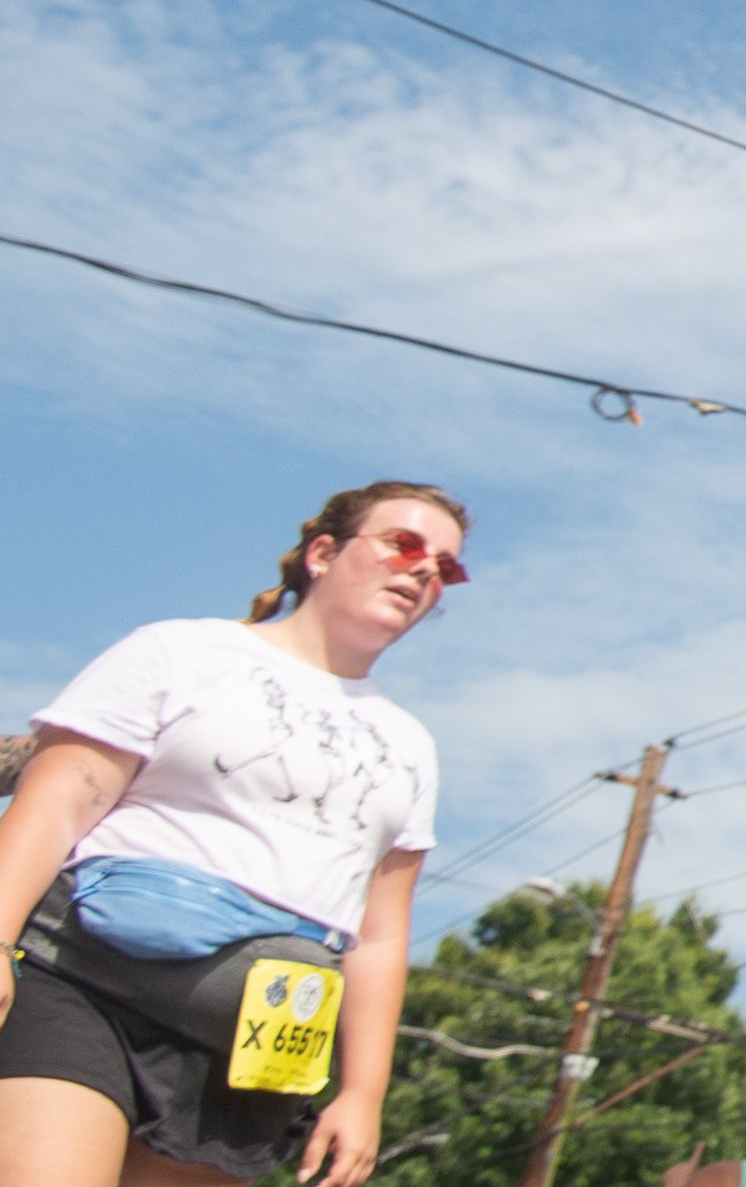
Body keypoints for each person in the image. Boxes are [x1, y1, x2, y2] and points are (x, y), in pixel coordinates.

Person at [0, 481, 464, 1187]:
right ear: (322, 553)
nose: (426, 567)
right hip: (85, 990)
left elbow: (381, 936)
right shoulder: (182, 653)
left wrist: (363, 1095)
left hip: (258, 1057)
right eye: (404, 543)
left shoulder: (411, 746)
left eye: (447, 564)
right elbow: (60, 798)